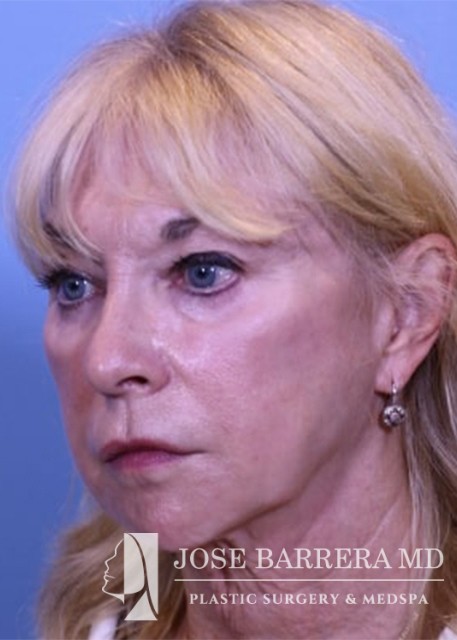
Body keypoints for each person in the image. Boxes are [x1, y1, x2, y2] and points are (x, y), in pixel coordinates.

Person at [10, 0, 457, 637]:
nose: (107, 361)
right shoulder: (101, 617)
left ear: (406, 314)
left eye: (203, 271)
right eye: (73, 284)